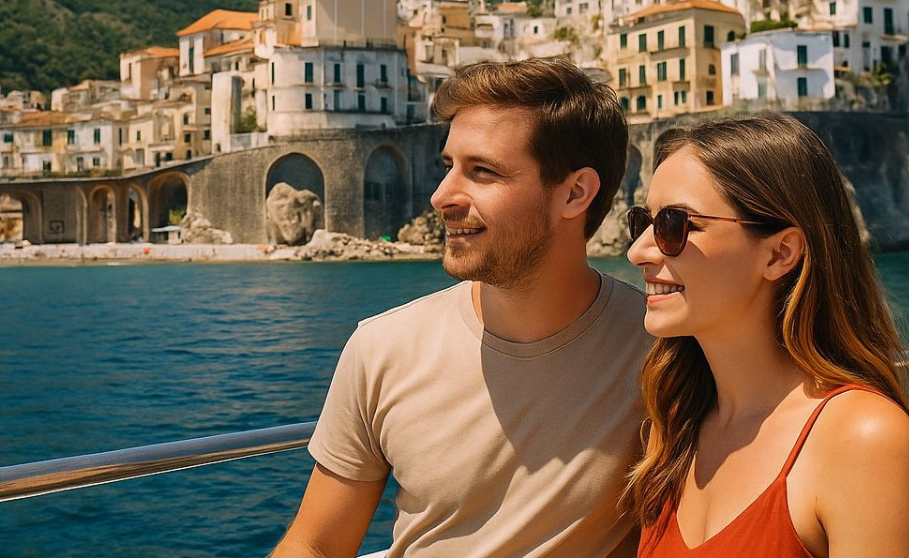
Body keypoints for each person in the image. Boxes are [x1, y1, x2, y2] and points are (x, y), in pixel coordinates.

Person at [270, 58, 651, 558]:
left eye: (482, 171)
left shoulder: (661, 354)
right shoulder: (382, 349)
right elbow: (315, 544)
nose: (440, 196)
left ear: (575, 193)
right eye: (447, 166)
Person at [624, 114, 909, 558]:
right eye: (643, 221)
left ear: (780, 253)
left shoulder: (862, 440)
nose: (638, 251)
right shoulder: (673, 426)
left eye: (674, 225)